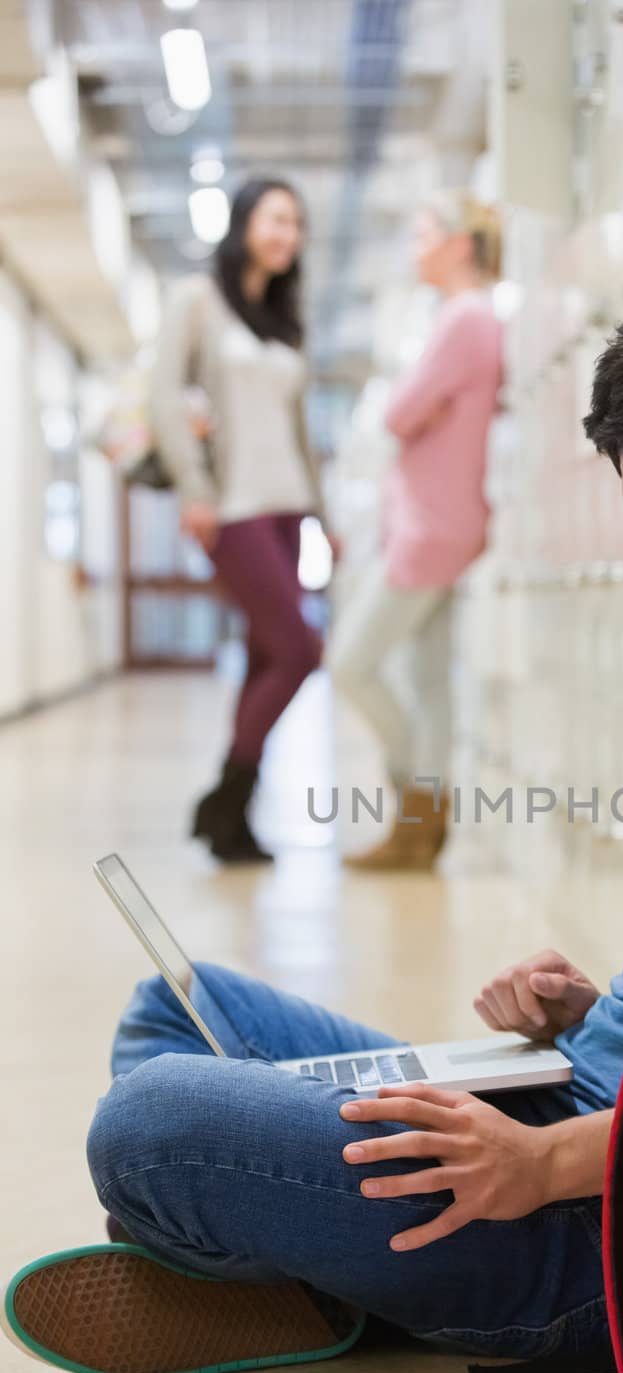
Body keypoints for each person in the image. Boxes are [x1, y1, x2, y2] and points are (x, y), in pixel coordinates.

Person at [3, 287, 623, 1373]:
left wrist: (542, 1163)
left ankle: (313, 1282)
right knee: (178, 1006)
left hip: (617, 1236)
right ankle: (311, 1275)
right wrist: (595, 1014)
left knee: (152, 1123)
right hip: (586, 1106)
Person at [152, 176, 335, 865]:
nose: (286, 234)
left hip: (287, 506)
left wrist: (323, 514)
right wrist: (193, 488)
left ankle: (235, 823)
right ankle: (221, 798)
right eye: (274, 218)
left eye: (296, 223)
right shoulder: (196, 300)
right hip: (231, 506)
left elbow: (297, 426)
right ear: (243, 225)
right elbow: (166, 396)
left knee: (268, 655)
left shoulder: (284, 319)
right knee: (298, 649)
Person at [327, 191, 504, 870]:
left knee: (349, 663)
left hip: (431, 527)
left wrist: (411, 411)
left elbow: (399, 413)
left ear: (460, 244)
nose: (415, 246)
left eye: (425, 232)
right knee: (429, 683)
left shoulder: (464, 319)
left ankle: (416, 800)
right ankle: (420, 833)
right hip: (448, 522)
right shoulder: (474, 319)